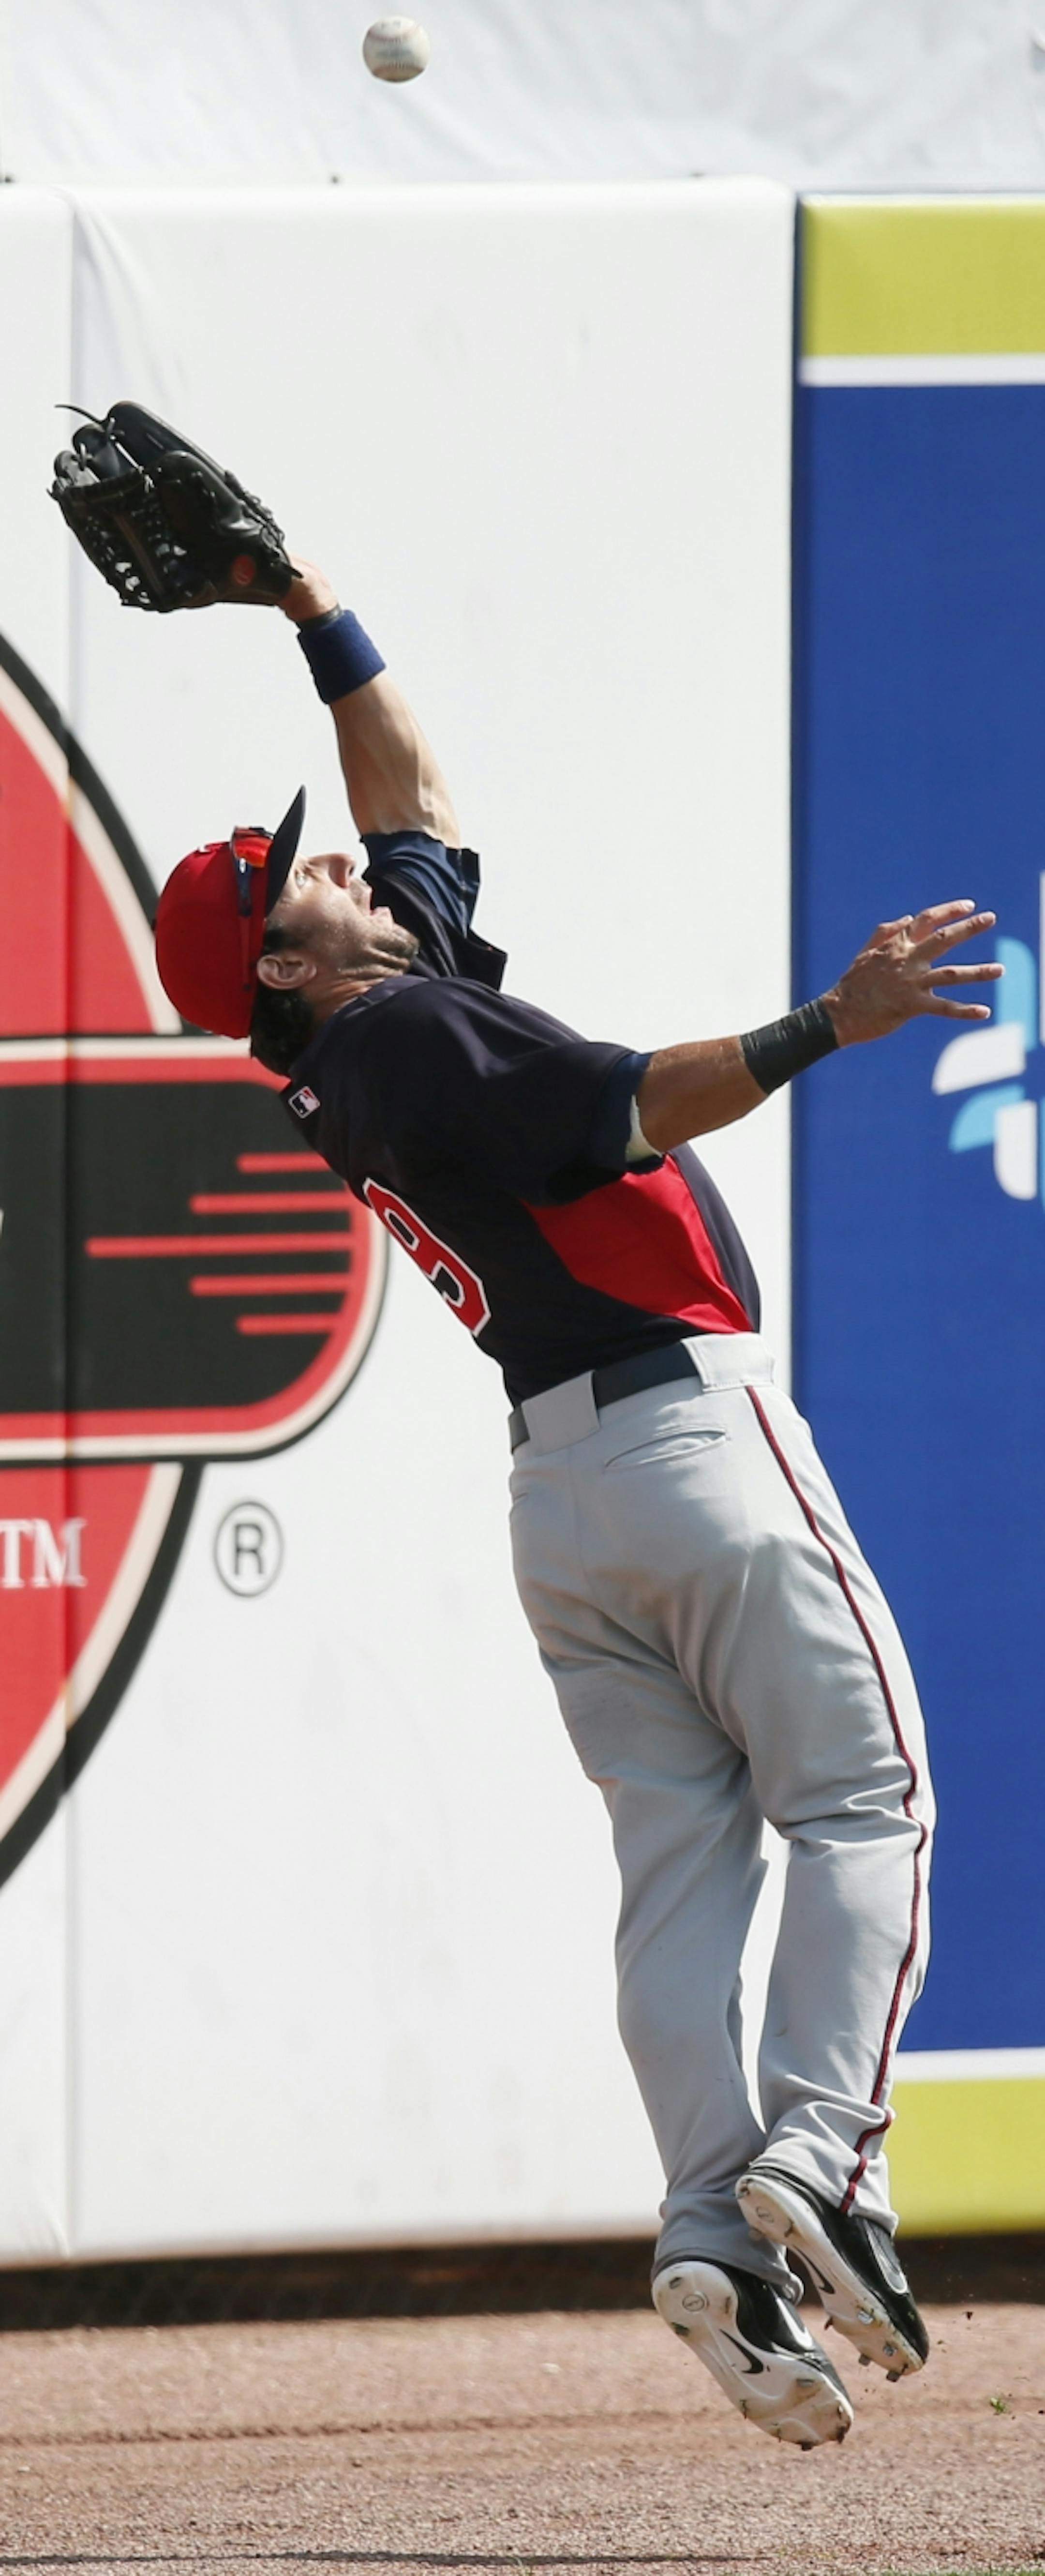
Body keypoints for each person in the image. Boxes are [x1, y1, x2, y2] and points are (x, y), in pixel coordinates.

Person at [154, 561, 1001, 2451]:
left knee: (682, 1859)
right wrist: (828, 1024)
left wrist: (309, 604)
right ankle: (823, 2156)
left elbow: (415, 806)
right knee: (870, 1795)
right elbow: (633, 1107)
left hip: (566, 1490)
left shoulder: (378, 1015)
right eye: (298, 876)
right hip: (687, 1435)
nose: (342, 861)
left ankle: (715, 2217)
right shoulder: (411, 1038)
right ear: (283, 966)